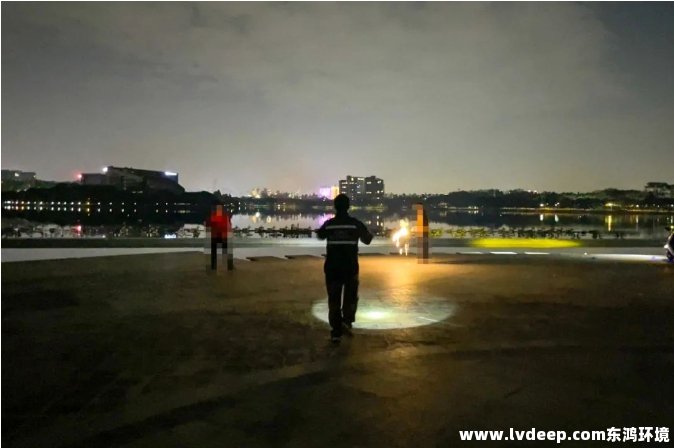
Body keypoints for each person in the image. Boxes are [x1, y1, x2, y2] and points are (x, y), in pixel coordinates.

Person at [317, 194, 373, 343]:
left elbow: (320, 235)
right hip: (350, 268)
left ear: (335, 207)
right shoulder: (355, 224)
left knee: (334, 300)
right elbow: (367, 240)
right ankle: (347, 322)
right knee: (350, 297)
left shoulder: (329, 224)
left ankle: (336, 332)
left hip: (332, 268)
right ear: (348, 207)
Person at [208, 204, 233, 271]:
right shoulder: (226, 215)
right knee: (225, 250)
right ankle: (229, 265)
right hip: (224, 235)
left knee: (215, 251)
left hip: (217, 235)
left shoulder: (216, 215)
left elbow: (212, 224)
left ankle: (214, 266)